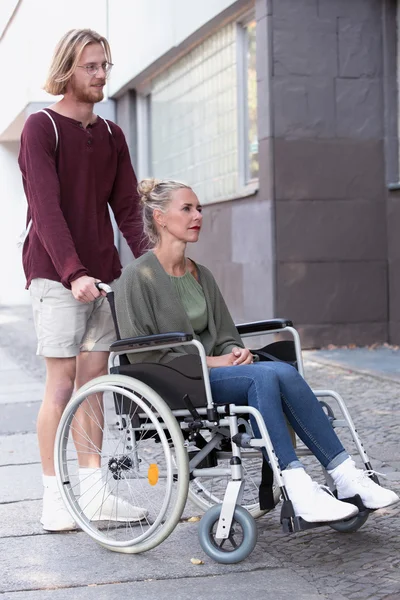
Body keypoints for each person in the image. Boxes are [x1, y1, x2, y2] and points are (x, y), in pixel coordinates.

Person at [115, 178, 399, 524]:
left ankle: (345, 475)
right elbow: (145, 355)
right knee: (263, 378)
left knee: (281, 370)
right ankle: (297, 486)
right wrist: (213, 360)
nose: (197, 216)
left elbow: (225, 334)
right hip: (179, 383)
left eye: (199, 208)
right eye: (187, 209)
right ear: (159, 217)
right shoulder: (136, 277)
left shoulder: (199, 274)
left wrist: (236, 352)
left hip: (217, 373)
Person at [18, 29, 148, 531]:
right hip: (56, 275)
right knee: (61, 383)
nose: (100, 76)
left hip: (103, 277)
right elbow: (46, 211)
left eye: (104, 66)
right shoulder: (41, 127)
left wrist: (151, 266)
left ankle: (95, 493)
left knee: (95, 382)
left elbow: (129, 209)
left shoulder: (112, 134)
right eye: (91, 66)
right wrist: (73, 273)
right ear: (68, 69)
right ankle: (55, 496)